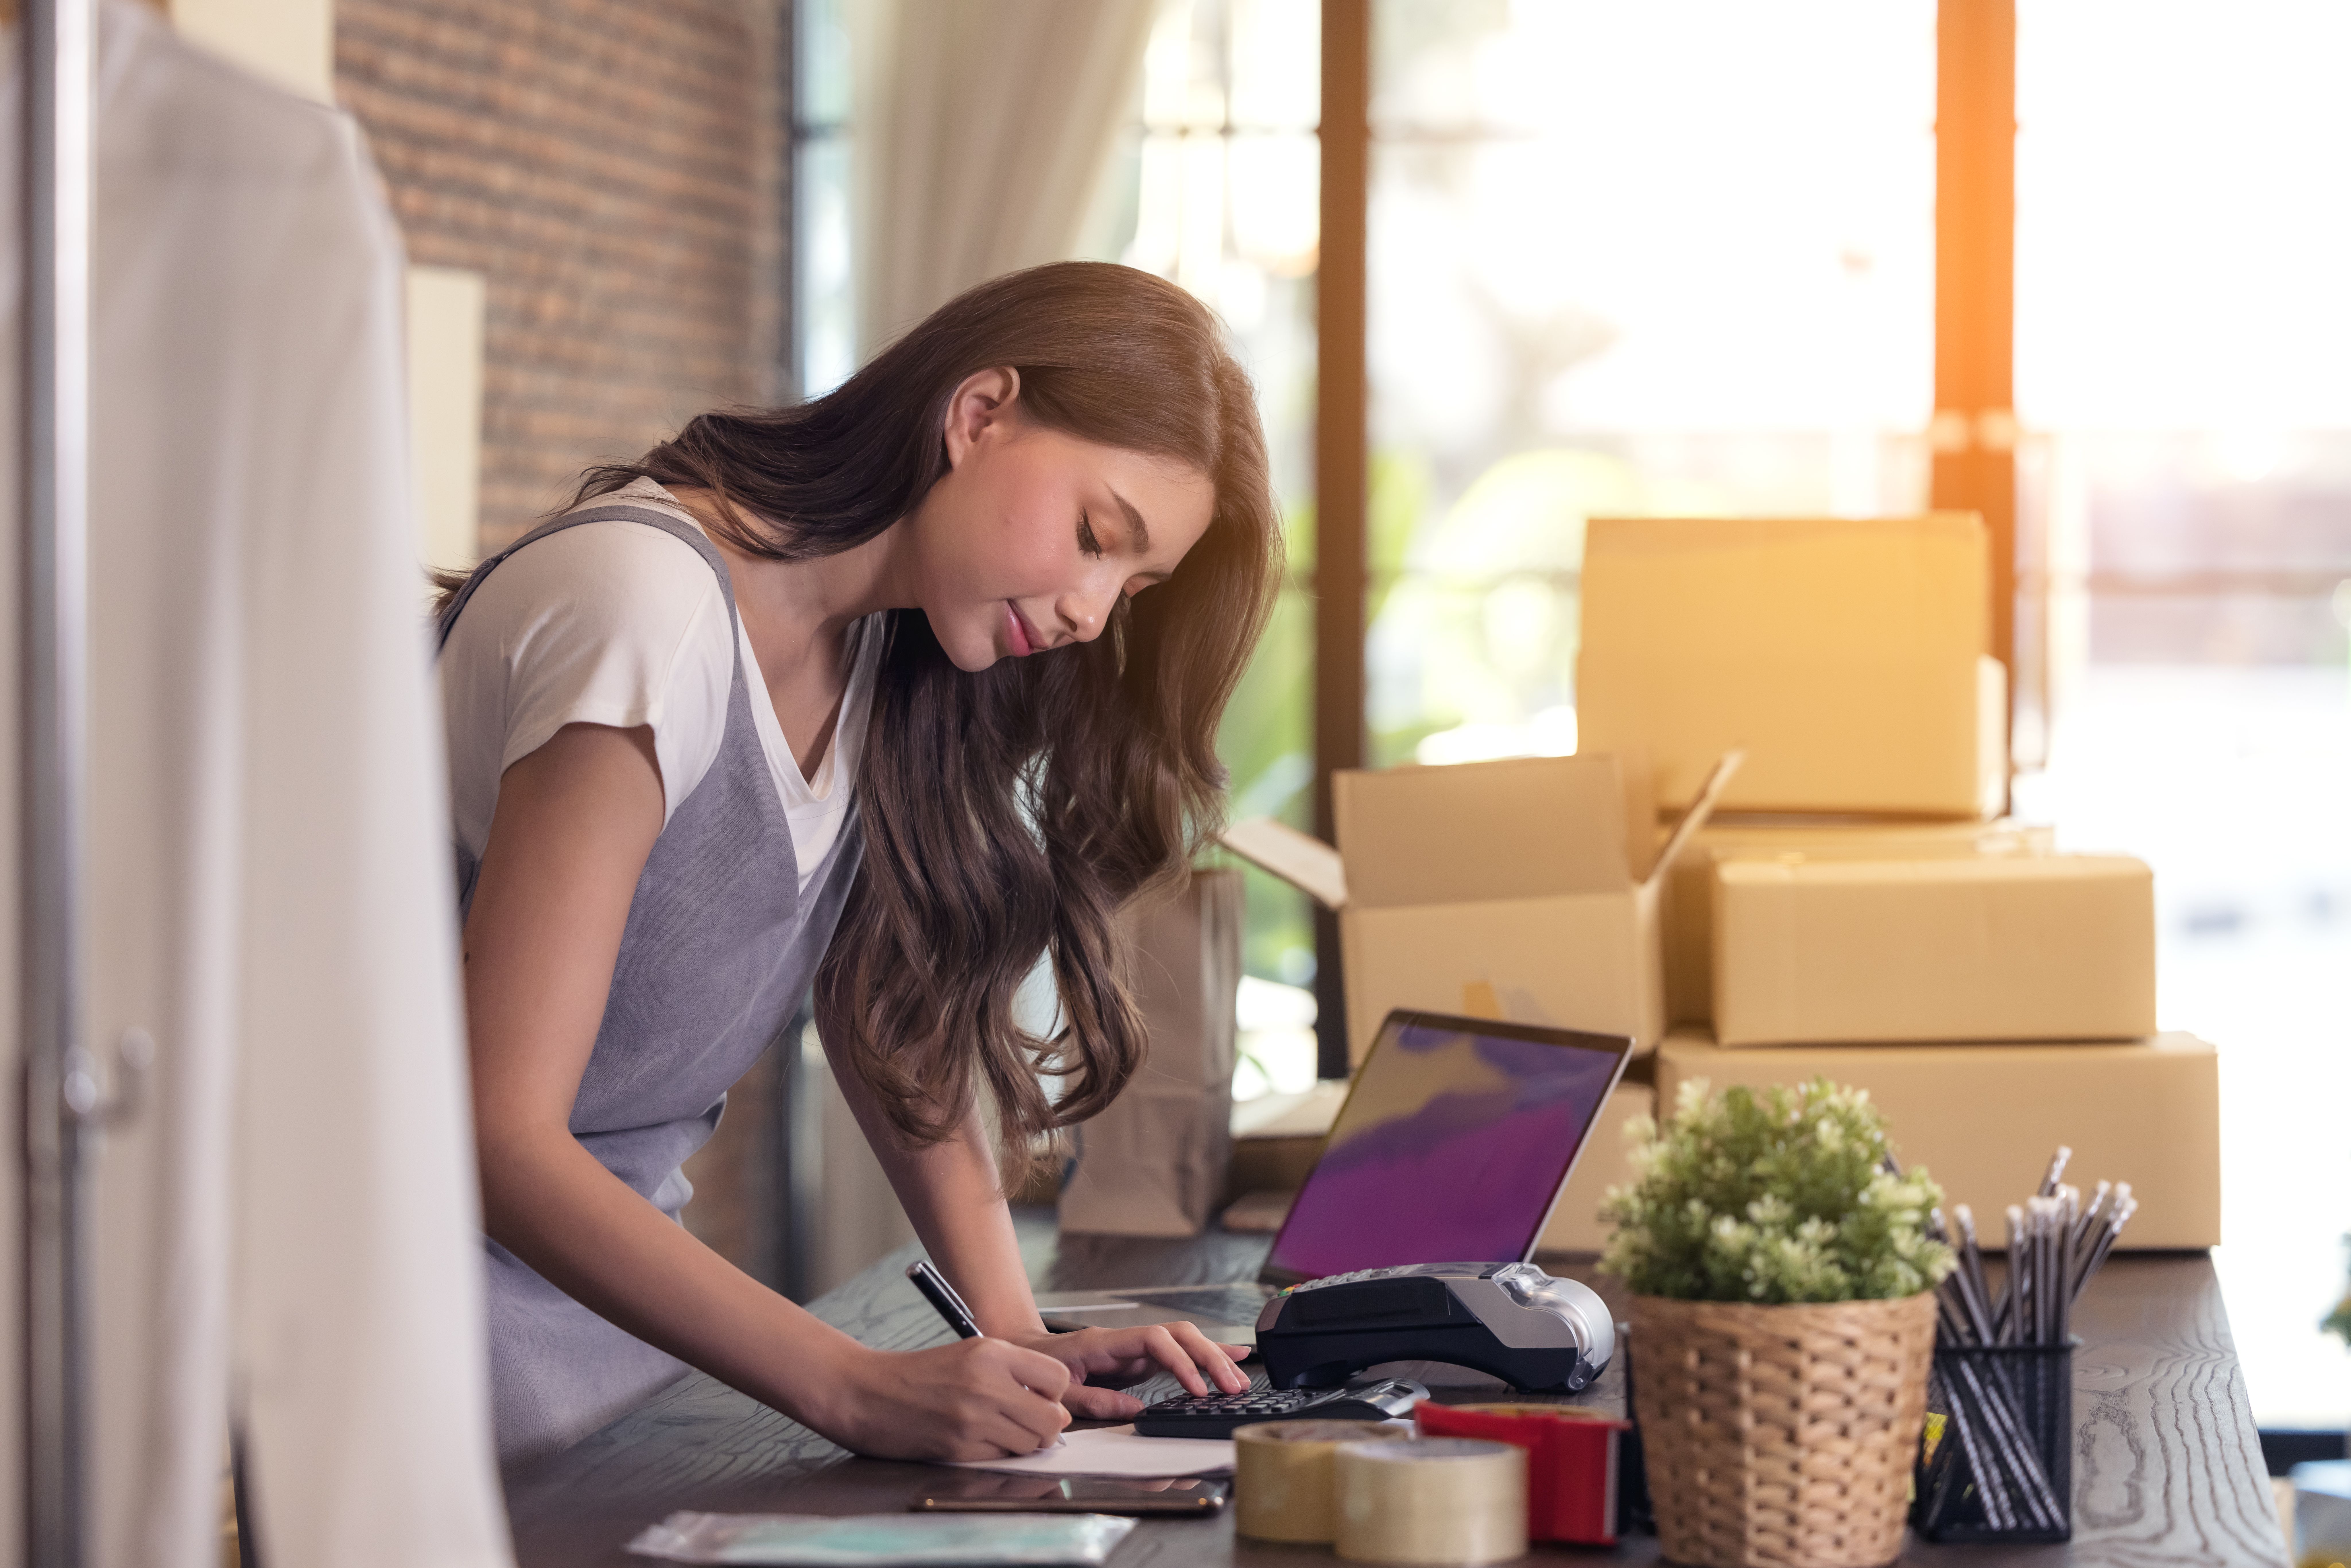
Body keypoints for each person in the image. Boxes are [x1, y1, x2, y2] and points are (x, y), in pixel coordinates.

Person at [437, 263, 1280, 1464]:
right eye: (1096, 536)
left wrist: (1016, 1334)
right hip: (418, 1341)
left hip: (615, 1339)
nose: (1094, 610)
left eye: (1130, 588)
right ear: (978, 413)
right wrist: (852, 1385)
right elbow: (497, 1133)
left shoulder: (884, 656)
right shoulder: (645, 608)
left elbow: (892, 1011)